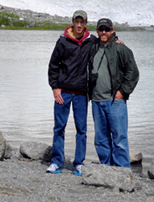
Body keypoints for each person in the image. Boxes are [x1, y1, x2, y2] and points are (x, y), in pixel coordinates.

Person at [46, 10, 93, 176]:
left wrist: (117, 41)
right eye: (77, 22)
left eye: (82, 22)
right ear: (73, 22)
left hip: (81, 93)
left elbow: (106, 45)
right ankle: (56, 161)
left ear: (86, 23)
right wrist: (54, 87)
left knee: (82, 130)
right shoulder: (63, 41)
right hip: (63, 92)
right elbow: (53, 65)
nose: (79, 25)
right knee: (59, 127)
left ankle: (79, 163)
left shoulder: (90, 41)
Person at [88, 17, 139, 168]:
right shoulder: (92, 47)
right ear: (97, 31)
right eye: (101, 29)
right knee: (101, 140)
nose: (104, 32)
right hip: (96, 101)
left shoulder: (121, 49)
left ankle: (123, 172)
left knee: (119, 139)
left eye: (107, 29)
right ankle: (106, 169)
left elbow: (133, 73)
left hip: (115, 101)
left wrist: (123, 92)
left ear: (112, 31)